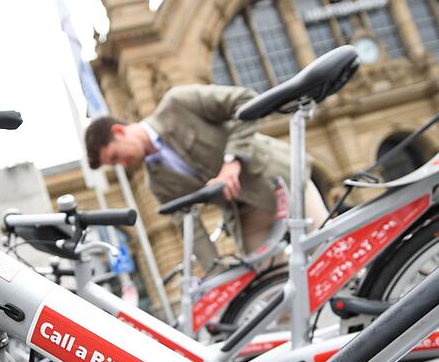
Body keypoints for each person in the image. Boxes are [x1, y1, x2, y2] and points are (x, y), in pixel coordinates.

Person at [85, 84, 328, 273]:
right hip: (246, 216)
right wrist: (215, 271)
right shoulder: (157, 183)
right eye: (115, 164)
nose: (123, 165)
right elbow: (190, 228)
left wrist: (232, 160)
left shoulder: (177, 103)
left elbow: (245, 99)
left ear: (119, 131)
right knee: (271, 295)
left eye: (116, 156)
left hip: (281, 181)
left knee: (333, 254)